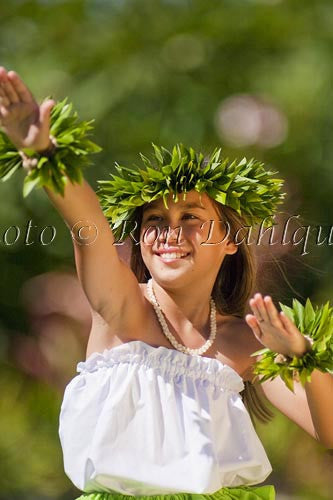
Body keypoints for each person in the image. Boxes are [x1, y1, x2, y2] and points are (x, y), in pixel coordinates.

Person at [1, 67, 332, 500]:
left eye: (190, 218)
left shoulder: (246, 340)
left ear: (230, 240)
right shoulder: (121, 308)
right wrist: (45, 153)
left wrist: (301, 361)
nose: (169, 233)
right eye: (154, 220)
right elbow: (87, 223)